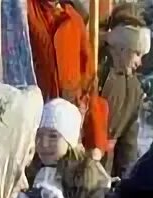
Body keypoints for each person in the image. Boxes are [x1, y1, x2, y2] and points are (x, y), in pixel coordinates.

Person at [27, 0, 109, 159]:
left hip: (68, 137)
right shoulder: (24, 10)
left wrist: (95, 142)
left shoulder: (73, 19)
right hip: (35, 133)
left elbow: (89, 84)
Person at [100, 4, 151, 177]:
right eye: (137, 53)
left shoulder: (134, 88)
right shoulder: (95, 70)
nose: (139, 62)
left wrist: (126, 176)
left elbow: (128, 140)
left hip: (108, 168)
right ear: (122, 47)